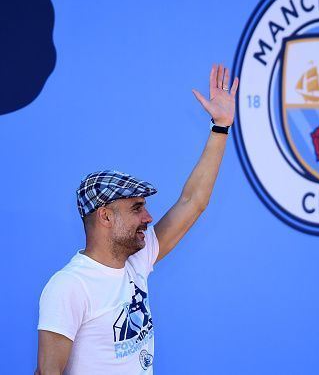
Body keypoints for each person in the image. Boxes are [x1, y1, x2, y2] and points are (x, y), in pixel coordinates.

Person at [35, 64, 239, 375]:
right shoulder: (69, 287)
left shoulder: (136, 261)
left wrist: (220, 127)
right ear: (105, 216)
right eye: (136, 208)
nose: (148, 217)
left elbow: (192, 201)